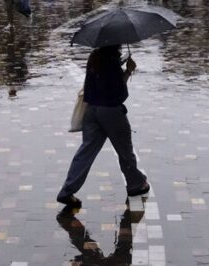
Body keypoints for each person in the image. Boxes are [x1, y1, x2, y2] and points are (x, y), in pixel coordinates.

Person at [57, 45, 149, 207]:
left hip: (91, 111)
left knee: (85, 153)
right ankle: (135, 184)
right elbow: (120, 93)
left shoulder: (94, 57)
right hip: (111, 112)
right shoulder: (112, 62)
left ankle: (67, 190)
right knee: (125, 150)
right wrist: (128, 71)